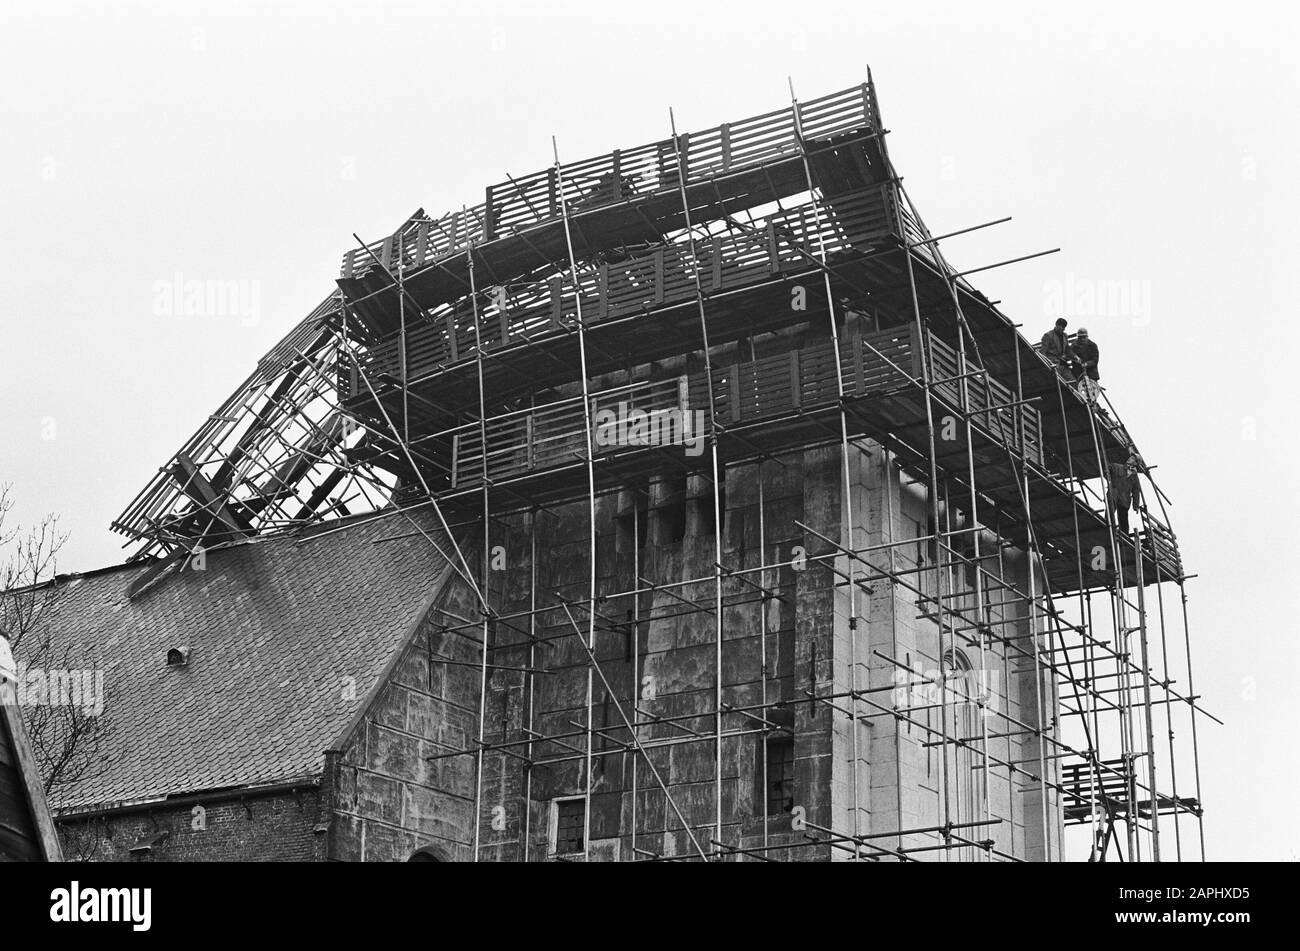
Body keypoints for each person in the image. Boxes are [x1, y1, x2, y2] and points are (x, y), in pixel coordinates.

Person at [1106, 450, 1144, 534]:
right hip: (1114, 494)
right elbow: (1108, 467)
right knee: (1109, 514)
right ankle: (1108, 529)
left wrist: (1136, 505)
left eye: (1133, 458)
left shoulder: (1135, 477)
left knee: (1123, 520)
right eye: (1131, 457)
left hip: (1124, 500)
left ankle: (1124, 536)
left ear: (1136, 463)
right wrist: (1106, 468)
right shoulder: (1117, 467)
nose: (1130, 458)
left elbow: (1136, 491)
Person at [1073, 327, 1101, 402]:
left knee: (1092, 392)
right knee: (1079, 392)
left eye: (1084, 337)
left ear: (1087, 337)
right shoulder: (1074, 345)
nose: (1082, 339)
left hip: (1091, 373)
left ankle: (1092, 403)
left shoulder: (1092, 345)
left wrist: (1086, 364)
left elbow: (1095, 360)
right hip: (1078, 373)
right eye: (1080, 337)